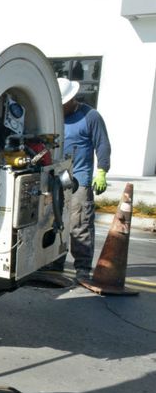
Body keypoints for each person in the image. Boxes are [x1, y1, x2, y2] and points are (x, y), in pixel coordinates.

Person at [54, 78, 111, 282]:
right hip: (55, 179)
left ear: (72, 99)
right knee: (55, 221)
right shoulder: (52, 114)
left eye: (63, 104)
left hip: (79, 179)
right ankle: (56, 260)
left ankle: (82, 268)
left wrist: (102, 170)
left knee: (80, 223)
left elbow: (102, 144)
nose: (60, 107)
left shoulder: (90, 116)